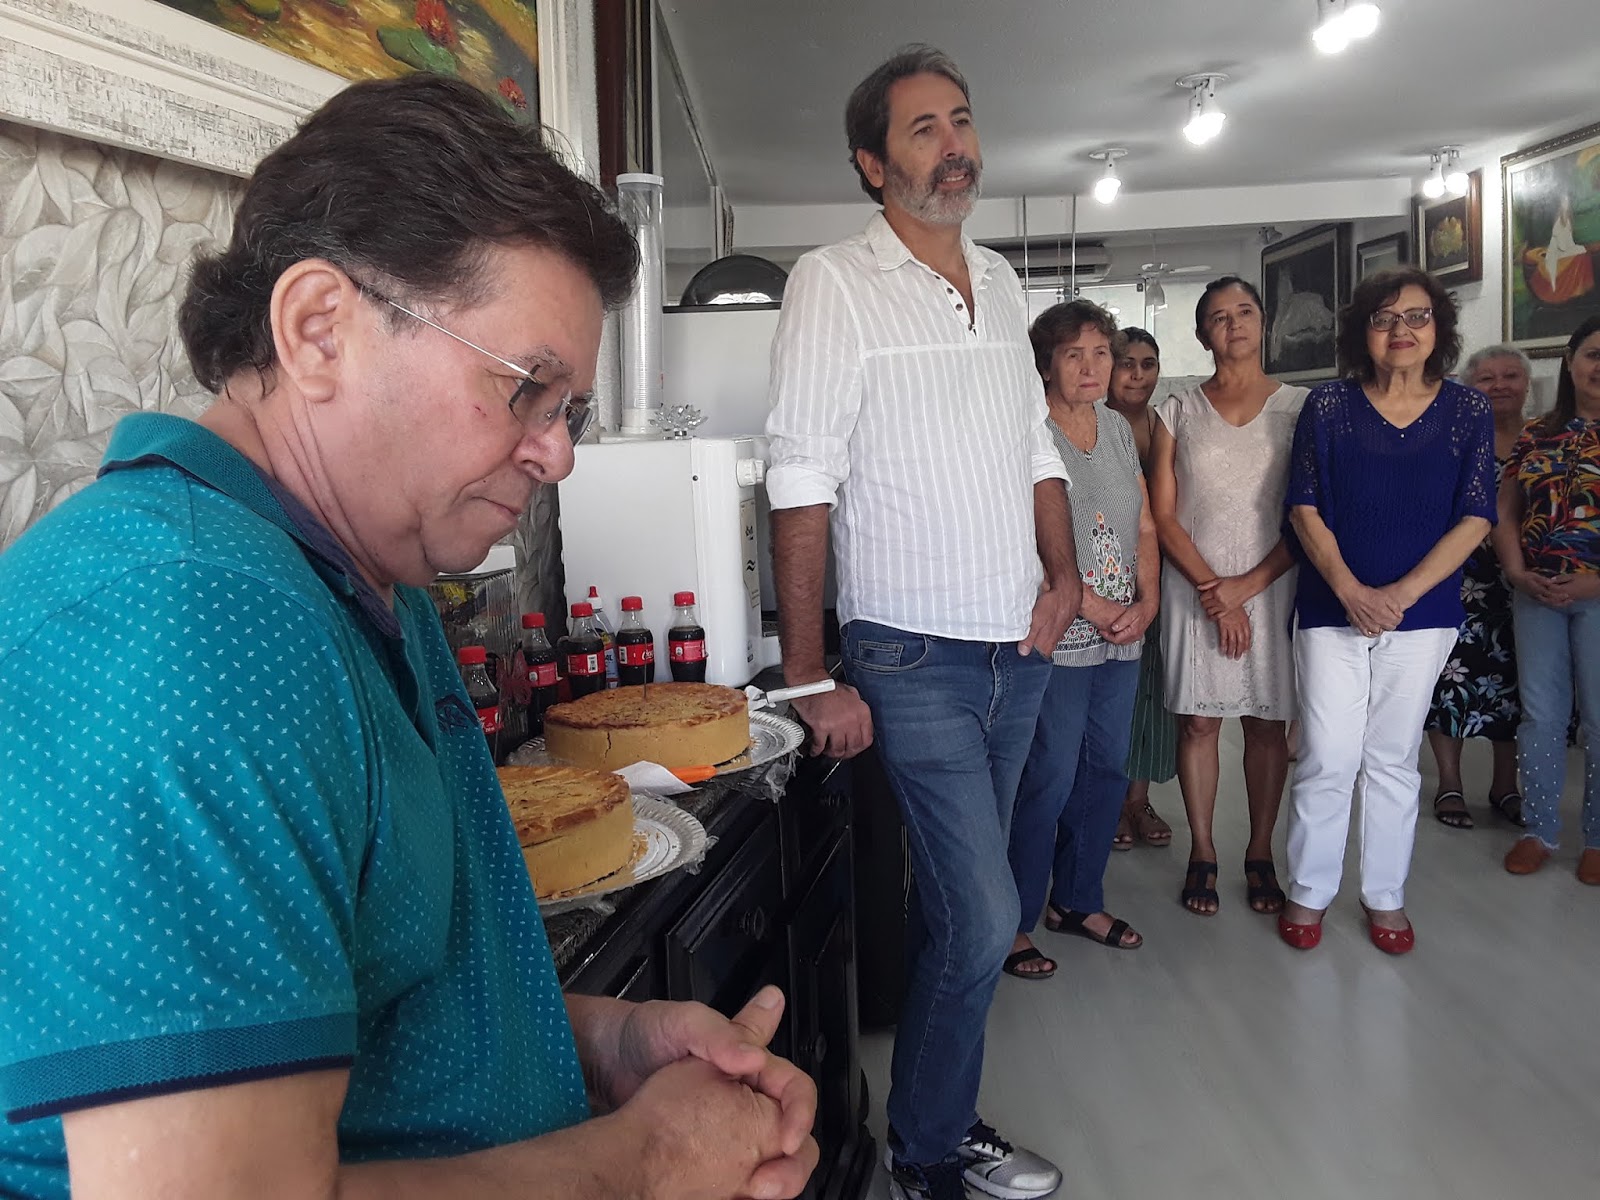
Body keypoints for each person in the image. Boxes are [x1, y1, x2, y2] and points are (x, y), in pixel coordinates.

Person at [0, 77, 818, 1200]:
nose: (558, 454)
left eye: (568, 410)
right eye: (527, 388)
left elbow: (360, 1005)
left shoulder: (362, 577)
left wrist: (599, 1043)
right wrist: (654, 1158)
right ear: (319, 331)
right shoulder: (184, 632)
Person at [764, 45, 1079, 1200]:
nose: (954, 146)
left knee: (969, 914)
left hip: (1017, 650)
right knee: (985, 913)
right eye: (922, 129)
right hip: (909, 657)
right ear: (870, 163)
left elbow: (1033, 446)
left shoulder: (1001, 280)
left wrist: (1062, 579)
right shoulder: (832, 281)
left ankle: (936, 1124)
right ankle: (926, 1153)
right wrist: (809, 677)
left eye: (961, 121)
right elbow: (799, 475)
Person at [1280, 268, 1497, 954]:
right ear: (1361, 332)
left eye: (1416, 316)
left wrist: (1399, 596)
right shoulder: (1329, 406)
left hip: (1422, 614)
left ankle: (1384, 895)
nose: (1401, 330)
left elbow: (1476, 516)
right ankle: (1309, 889)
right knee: (1328, 754)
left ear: (1439, 328)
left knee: (1394, 758)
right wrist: (1350, 590)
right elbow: (1303, 507)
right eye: (1383, 318)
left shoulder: (1468, 411)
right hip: (1331, 605)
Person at [1005, 301, 1157, 977]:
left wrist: (1148, 601)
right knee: (1049, 775)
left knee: (1107, 768)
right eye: (1075, 355)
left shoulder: (1118, 428)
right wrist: (1092, 605)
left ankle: (1076, 900)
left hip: (1123, 632)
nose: (1092, 367)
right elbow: (1022, 537)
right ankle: (1013, 921)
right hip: (1060, 632)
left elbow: (1144, 524)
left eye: (1101, 353)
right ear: (1048, 364)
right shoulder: (1027, 429)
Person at [1148, 277, 1307, 917]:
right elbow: (1163, 515)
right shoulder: (1177, 410)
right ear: (1201, 334)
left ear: (1263, 323)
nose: (1233, 323)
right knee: (1199, 722)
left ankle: (1260, 851)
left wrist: (1245, 589)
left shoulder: (1301, 407)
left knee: (1267, 724)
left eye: (1244, 311)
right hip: (1195, 584)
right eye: (1219, 316)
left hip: (1273, 583)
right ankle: (1204, 850)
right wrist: (1217, 592)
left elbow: (1309, 514)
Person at [1496, 315, 1600, 883]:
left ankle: (1598, 838)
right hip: (1536, 592)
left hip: (1598, 595)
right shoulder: (1537, 433)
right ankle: (1538, 829)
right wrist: (1516, 571)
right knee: (1542, 716)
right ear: (1570, 361)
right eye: (1593, 354)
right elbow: (1505, 512)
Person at [1424, 345, 1536, 829]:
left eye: (1510, 376)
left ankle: (1505, 785)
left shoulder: (1543, 438)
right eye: (1487, 378)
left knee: (1518, 685)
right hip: (1462, 579)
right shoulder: (1454, 438)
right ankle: (1449, 782)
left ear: (1527, 384)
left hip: (1527, 583)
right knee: (1452, 680)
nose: (1500, 385)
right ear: (1469, 388)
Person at [1105, 327, 1178, 850]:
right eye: (1126, 363)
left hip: (1162, 571)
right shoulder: (1091, 422)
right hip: (1106, 571)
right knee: (1113, 691)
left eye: (1147, 363)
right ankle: (1107, 800)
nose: (1137, 374)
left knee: (1153, 686)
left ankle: (1138, 798)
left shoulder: (1166, 423)